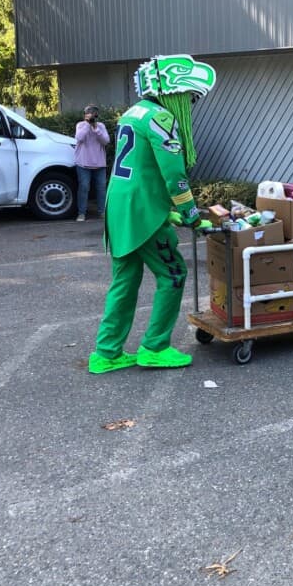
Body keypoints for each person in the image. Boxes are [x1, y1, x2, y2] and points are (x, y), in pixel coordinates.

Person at [87, 54, 216, 374]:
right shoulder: (161, 118)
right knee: (173, 275)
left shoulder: (133, 114)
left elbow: (139, 167)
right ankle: (155, 347)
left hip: (119, 208)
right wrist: (189, 213)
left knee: (125, 280)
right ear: (175, 89)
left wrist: (168, 211)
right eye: (189, 97)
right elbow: (173, 176)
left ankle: (106, 353)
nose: (190, 103)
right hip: (143, 212)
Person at [74, 105, 110, 222]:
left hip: (99, 163)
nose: (92, 116)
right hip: (83, 163)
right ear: (85, 115)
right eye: (89, 113)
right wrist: (87, 125)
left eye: (94, 114)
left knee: (101, 188)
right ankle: (81, 213)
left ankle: (102, 211)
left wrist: (95, 128)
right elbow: (79, 138)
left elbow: (106, 141)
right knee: (84, 187)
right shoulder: (80, 125)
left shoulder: (101, 126)